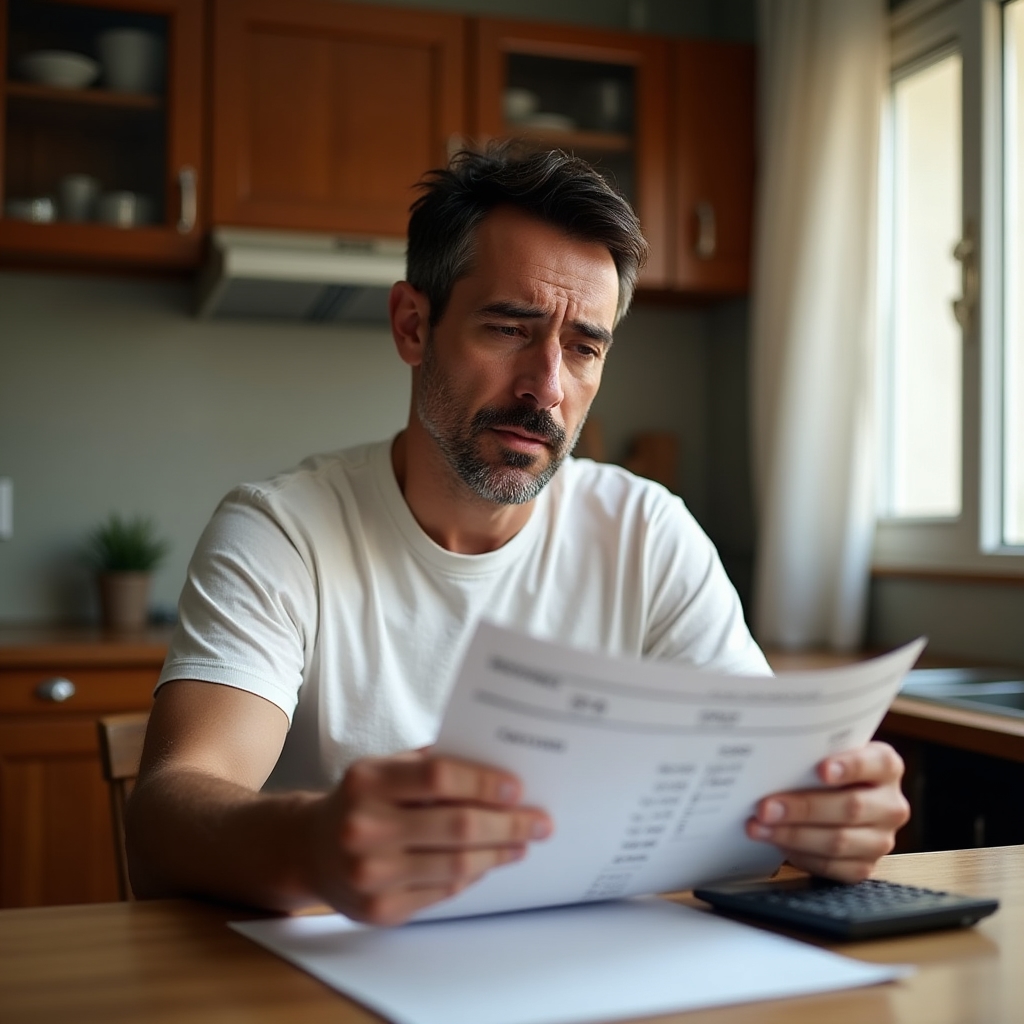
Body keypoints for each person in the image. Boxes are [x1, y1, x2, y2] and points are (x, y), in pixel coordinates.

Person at [126, 147, 909, 924]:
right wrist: (315, 845)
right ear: (412, 325)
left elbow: (769, 782)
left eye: (584, 347)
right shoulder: (282, 533)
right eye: (508, 328)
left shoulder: (647, 532)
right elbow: (166, 814)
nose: (547, 389)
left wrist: (830, 816)